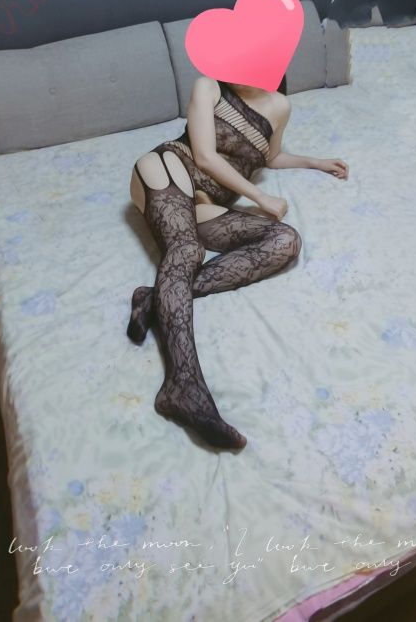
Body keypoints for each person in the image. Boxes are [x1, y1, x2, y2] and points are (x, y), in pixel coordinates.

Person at [128, 73, 349, 450]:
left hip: (206, 203)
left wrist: (315, 162)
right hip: (168, 170)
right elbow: (204, 157)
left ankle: (154, 299)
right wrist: (261, 199)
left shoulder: (280, 105)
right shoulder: (209, 86)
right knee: (186, 251)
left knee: (285, 240)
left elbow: (271, 156)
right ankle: (183, 385)